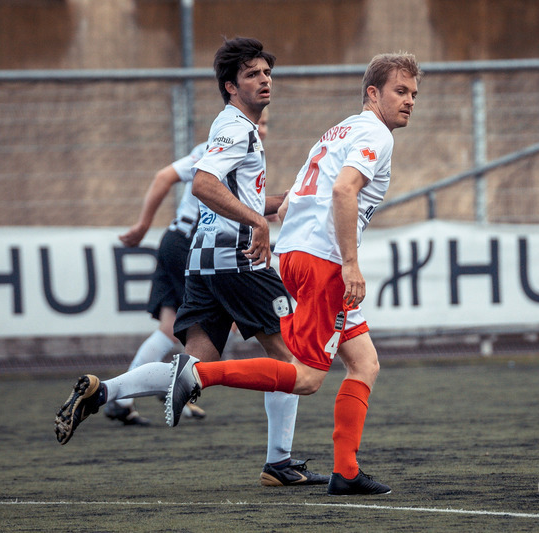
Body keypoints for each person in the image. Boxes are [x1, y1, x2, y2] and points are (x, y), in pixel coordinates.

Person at [55, 37, 328, 487]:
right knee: (294, 362)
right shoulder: (236, 127)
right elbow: (203, 184)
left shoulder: (237, 128)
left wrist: (294, 201)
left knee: (193, 365)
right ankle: (279, 462)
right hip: (239, 263)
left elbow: (242, 197)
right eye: (252, 75)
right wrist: (258, 225)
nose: (264, 80)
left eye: (266, 72)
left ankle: (103, 391)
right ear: (230, 86)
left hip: (204, 263)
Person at [163, 52, 422, 496]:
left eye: (414, 94)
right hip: (323, 263)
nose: (410, 101)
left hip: (299, 254)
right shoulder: (374, 134)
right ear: (373, 93)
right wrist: (350, 264)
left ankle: (346, 471)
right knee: (305, 378)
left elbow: (289, 203)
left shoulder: (339, 130)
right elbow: (343, 190)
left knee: (364, 363)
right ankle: (201, 375)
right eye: (401, 91)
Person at [109, 109, 271, 425]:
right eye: (259, 122)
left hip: (175, 240)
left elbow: (241, 202)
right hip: (191, 246)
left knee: (170, 328)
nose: (262, 130)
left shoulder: (234, 148)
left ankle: (120, 398)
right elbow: (164, 176)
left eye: (266, 124)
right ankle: (174, 391)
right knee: (211, 333)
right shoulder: (220, 147)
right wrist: (143, 224)